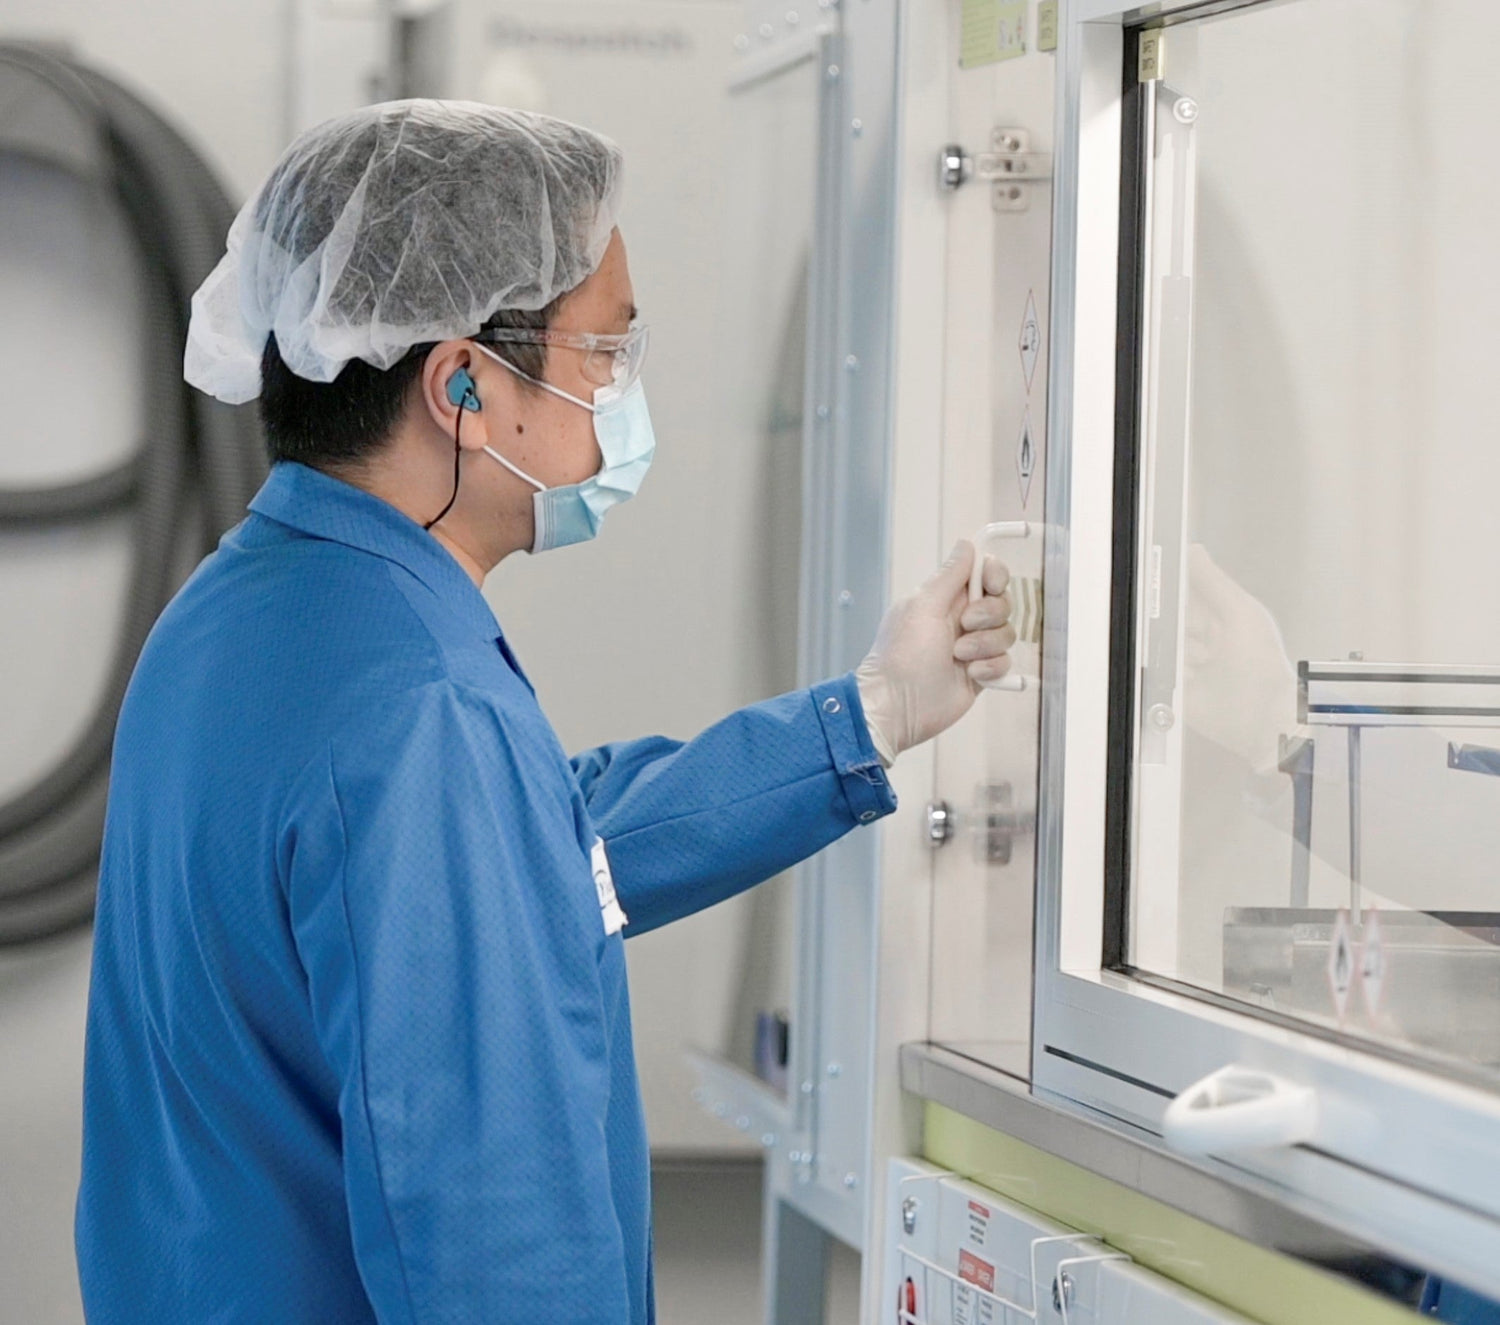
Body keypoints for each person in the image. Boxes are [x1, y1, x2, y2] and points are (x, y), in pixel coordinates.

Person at [74, 101, 1015, 1322]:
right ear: (463, 381)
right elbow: (493, 1227)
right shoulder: (420, 707)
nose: (620, 401)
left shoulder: (247, 611)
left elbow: (527, 855)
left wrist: (871, 713)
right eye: (603, 357)